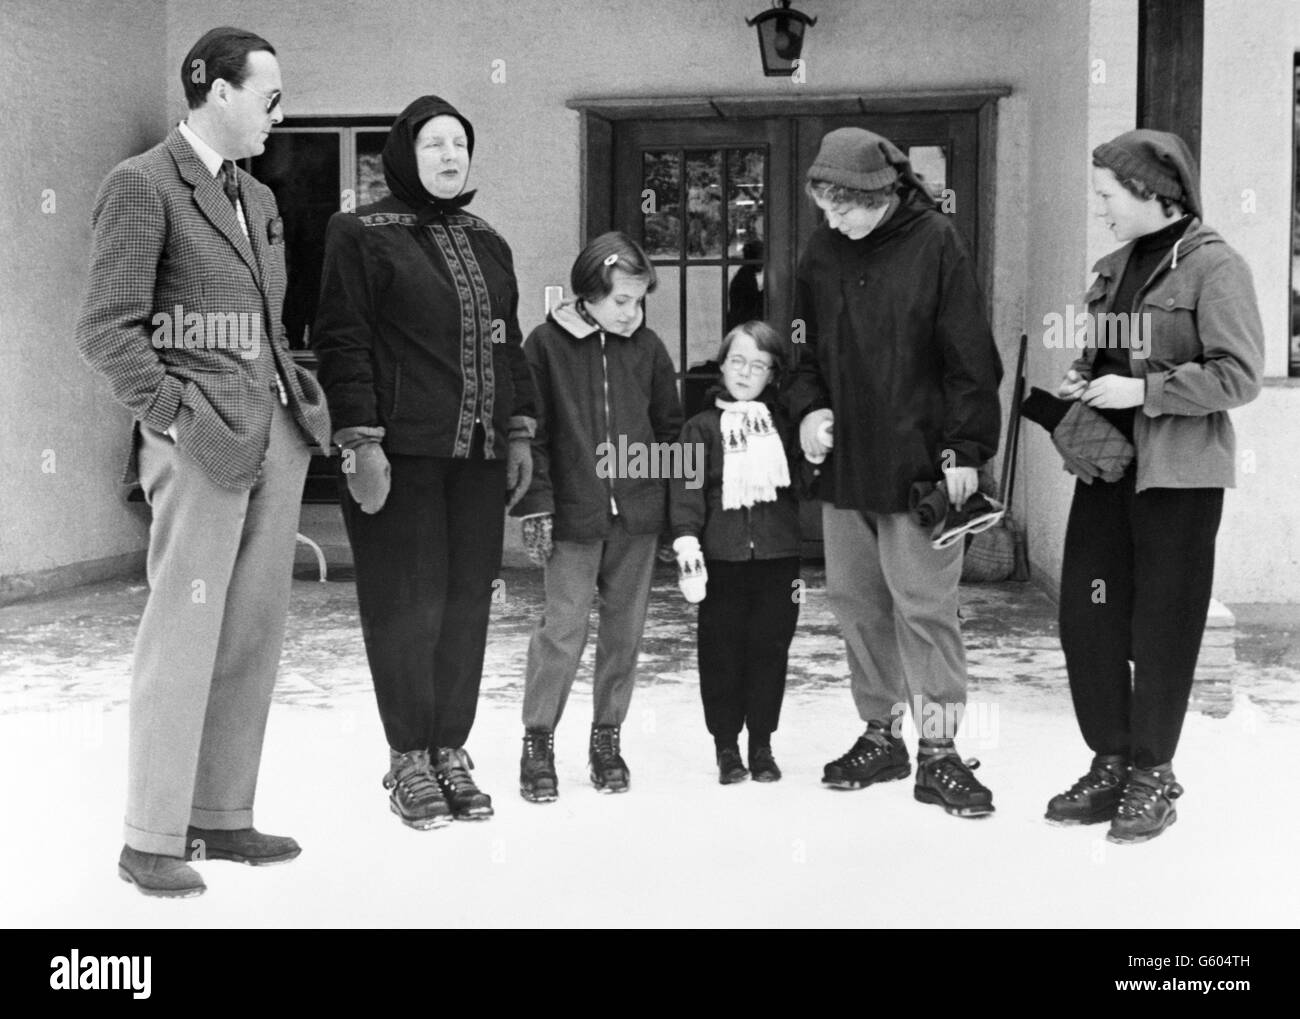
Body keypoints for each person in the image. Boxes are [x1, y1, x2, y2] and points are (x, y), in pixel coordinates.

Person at [75, 27, 331, 897]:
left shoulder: (256, 197)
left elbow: (263, 318)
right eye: (268, 95)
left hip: (271, 439)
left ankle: (221, 815)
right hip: (196, 448)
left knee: (251, 633)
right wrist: (179, 420)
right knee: (182, 638)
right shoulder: (143, 185)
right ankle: (150, 836)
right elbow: (107, 329)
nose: (278, 112)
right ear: (217, 91)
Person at [312, 96, 536, 830]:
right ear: (405, 153)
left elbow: (509, 342)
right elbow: (343, 340)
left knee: (468, 602)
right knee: (405, 604)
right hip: (397, 454)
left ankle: (450, 747)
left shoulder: (488, 240)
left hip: (476, 454)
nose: (449, 156)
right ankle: (408, 753)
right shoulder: (360, 232)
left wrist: (522, 433)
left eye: (459, 145)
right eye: (434, 143)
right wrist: (359, 442)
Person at [1045, 129, 1263, 844]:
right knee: (1088, 616)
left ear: (1150, 192)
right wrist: (1087, 375)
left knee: (1163, 625)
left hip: (1178, 476)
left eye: (1108, 194)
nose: (1100, 206)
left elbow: (1239, 374)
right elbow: (1105, 354)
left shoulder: (1215, 267)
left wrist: (1142, 389)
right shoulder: (1112, 267)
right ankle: (1110, 757)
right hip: (1108, 470)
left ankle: (1153, 771)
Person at [783, 128, 1002, 817]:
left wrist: (966, 449)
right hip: (846, 464)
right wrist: (808, 410)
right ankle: (881, 733)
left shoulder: (936, 242)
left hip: (921, 464)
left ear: (878, 194)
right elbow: (799, 347)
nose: (832, 221)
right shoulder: (822, 252)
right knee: (856, 602)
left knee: (924, 606)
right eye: (823, 208)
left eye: (842, 207)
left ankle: (940, 751)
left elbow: (971, 354)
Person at [512, 232, 683, 802]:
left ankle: (607, 737)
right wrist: (536, 505)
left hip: (636, 518)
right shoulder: (545, 347)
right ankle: (538, 740)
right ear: (588, 295)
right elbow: (530, 435)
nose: (632, 313)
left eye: (639, 302)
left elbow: (669, 433)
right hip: (573, 516)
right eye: (621, 302)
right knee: (562, 630)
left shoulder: (650, 349)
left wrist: (672, 510)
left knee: (624, 633)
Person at [670, 321, 801, 785]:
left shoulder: (783, 425)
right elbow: (686, 489)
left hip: (777, 557)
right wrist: (687, 540)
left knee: (770, 649)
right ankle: (726, 746)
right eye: (737, 361)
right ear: (721, 366)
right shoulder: (698, 428)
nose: (746, 373)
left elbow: (804, 480)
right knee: (721, 652)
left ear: (773, 374)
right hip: (721, 559)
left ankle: (761, 744)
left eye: (759, 365)